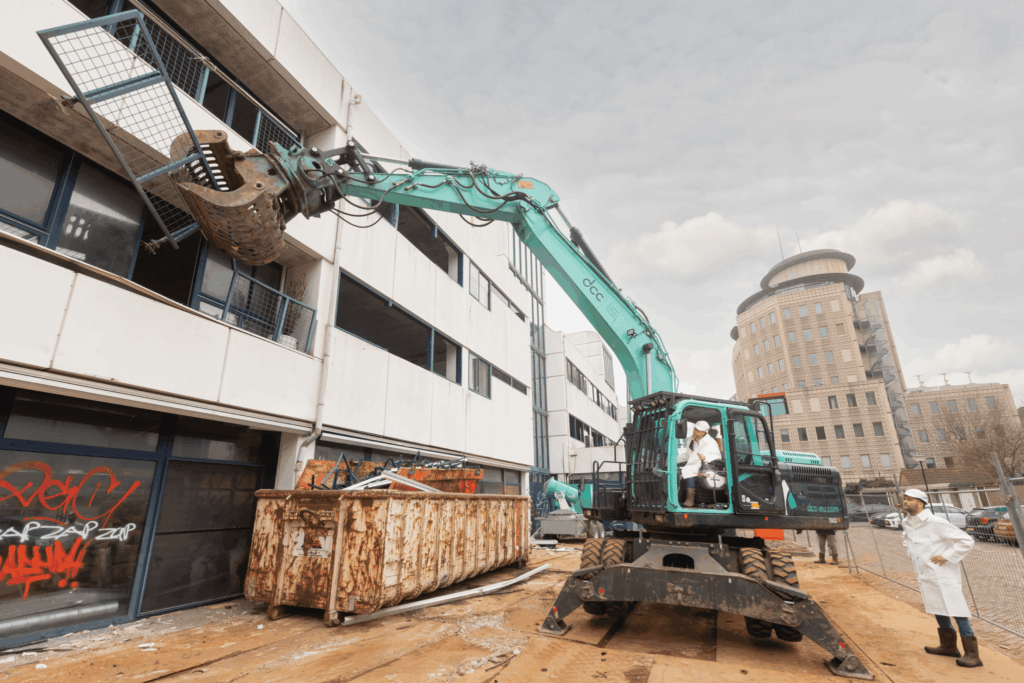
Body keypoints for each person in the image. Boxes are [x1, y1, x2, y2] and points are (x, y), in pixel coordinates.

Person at [902, 488, 982, 668]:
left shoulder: (935, 521)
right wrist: (910, 552)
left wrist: (948, 555)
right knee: (937, 606)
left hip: (943, 574)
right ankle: (948, 646)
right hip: (926, 573)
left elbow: (966, 540)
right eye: (905, 498)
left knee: (957, 610)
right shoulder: (907, 522)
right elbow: (907, 539)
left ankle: (972, 654)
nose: (905, 502)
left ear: (920, 503)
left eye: (910, 499)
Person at [677, 420, 721, 507]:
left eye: (697, 430)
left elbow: (717, 456)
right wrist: (673, 460)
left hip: (705, 466)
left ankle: (690, 500)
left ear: (703, 433)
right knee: (679, 472)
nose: (694, 431)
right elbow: (688, 454)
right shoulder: (691, 440)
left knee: (690, 473)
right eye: (695, 429)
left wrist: (705, 457)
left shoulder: (710, 442)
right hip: (693, 464)